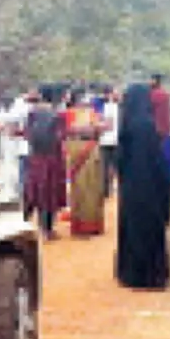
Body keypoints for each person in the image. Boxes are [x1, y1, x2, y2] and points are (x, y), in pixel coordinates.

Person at [115, 84, 170, 290]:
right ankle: (152, 276)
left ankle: (131, 273)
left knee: (132, 229)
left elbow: (119, 160)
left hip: (131, 186)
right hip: (149, 185)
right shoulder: (147, 125)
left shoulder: (127, 124)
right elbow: (157, 161)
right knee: (150, 228)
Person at [23, 90, 66, 241]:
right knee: (49, 194)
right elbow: (60, 137)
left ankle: (23, 222)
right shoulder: (57, 115)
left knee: (32, 190)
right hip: (52, 158)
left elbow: (27, 134)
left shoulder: (32, 114)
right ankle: (46, 229)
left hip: (35, 157)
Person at [64, 90, 106, 237]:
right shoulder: (68, 113)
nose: (86, 100)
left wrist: (96, 128)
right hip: (77, 148)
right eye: (83, 97)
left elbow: (100, 128)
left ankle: (94, 224)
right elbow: (67, 130)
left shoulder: (92, 112)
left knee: (94, 186)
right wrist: (86, 129)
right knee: (80, 188)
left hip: (92, 148)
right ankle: (81, 226)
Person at [100, 87, 121, 198]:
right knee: (110, 166)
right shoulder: (111, 107)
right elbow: (109, 124)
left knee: (107, 166)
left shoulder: (105, 107)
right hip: (110, 140)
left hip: (107, 140)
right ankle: (108, 188)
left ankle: (107, 189)